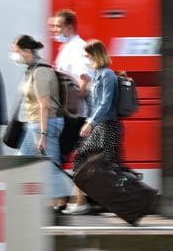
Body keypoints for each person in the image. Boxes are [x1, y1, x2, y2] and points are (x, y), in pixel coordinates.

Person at [64, 39, 121, 215]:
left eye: (87, 55)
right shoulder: (98, 75)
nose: (86, 59)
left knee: (95, 164)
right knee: (88, 162)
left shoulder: (107, 75)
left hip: (107, 126)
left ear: (96, 55)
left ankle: (123, 201)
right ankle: (81, 201)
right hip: (99, 126)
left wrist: (90, 122)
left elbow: (105, 104)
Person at [12, 35, 69, 209]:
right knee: (21, 163)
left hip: (44, 124)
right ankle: (27, 201)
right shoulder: (32, 69)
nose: (15, 56)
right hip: (34, 124)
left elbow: (44, 105)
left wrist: (43, 134)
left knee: (50, 165)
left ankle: (59, 205)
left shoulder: (41, 72)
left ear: (27, 51)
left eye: (17, 52)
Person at [52, 10, 93, 157]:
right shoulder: (68, 47)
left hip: (74, 115)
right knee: (58, 157)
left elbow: (85, 77)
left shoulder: (76, 48)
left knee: (57, 157)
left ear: (69, 28)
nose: (54, 30)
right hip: (71, 113)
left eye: (58, 26)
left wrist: (77, 98)